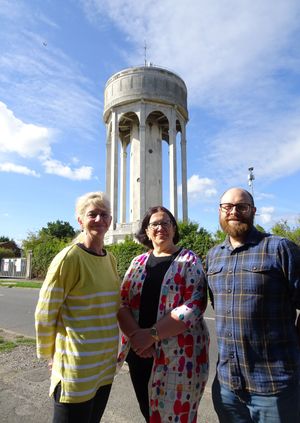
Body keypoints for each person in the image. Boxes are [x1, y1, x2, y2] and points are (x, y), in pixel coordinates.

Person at [206, 187, 300, 423]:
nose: (234, 212)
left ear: (253, 211)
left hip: (274, 387)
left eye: (242, 207)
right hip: (227, 386)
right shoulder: (213, 256)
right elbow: (216, 305)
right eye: (227, 207)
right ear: (220, 211)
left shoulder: (279, 248)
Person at [117, 206, 209, 423]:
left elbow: (194, 304)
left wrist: (151, 336)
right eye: (154, 224)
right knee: (148, 410)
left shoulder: (189, 260)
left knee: (178, 414)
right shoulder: (137, 262)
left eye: (166, 223)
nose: (160, 228)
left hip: (179, 356)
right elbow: (121, 301)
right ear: (147, 232)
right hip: (140, 353)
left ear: (174, 228)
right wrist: (138, 339)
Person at [35, 192, 120, 423]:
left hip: (104, 366)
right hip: (76, 368)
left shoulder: (110, 259)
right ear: (80, 220)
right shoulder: (69, 258)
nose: (99, 219)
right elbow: (45, 312)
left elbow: (112, 306)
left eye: (104, 215)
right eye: (92, 214)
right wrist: (49, 355)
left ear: (110, 221)